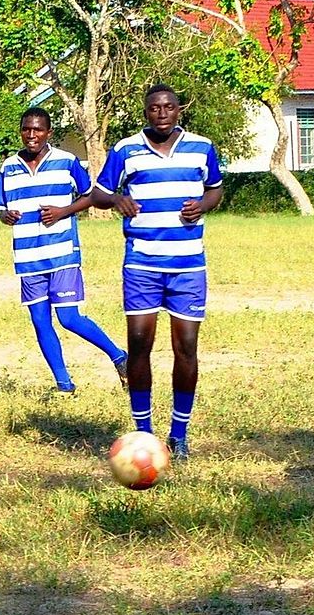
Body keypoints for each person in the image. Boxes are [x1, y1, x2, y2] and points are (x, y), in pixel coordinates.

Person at [91, 84, 224, 459]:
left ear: (179, 110)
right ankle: (144, 434)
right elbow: (97, 193)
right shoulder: (126, 149)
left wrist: (203, 205)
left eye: (168, 107)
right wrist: (118, 199)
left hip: (187, 265)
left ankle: (179, 435)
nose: (161, 113)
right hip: (142, 265)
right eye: (154, 108)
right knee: (139, 345)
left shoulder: (202, 147)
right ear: (146, 112)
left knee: (186, 348)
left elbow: (216, 189)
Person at [0, 107, 127, 395]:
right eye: (27, 129)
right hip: (28, 256)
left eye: (38, 130)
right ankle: (63, 384)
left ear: (48, 132)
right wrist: (7, 217)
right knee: (40, 321)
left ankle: (119, 357)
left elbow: (91, 195)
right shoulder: (9, 166)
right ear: (21, 131)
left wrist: (62, 211)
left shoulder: (66, 161)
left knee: (68, 318)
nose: (32, 135)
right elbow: (0, 210)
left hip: (62, 251)